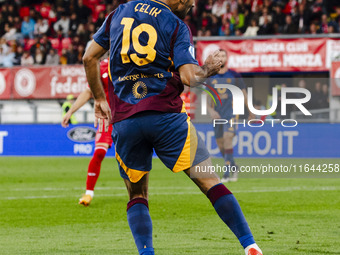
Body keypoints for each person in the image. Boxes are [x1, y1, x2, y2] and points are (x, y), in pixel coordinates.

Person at [83, 0, 263, 255]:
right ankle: (250, 245)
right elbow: (190, 78)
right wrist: (208, 69)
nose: (191, 5)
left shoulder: (116, 14)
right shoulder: (176, 24)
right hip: (166, 117)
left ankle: (147, 253)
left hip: (126, 119)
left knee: (137, 194)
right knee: (210, 181)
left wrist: (100, 99)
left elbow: (89, 57)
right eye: (190, 1)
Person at [62, 59, 112, 206]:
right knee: (99, 153)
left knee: (130, 157)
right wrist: (70, 111)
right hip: (106, 119)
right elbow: (89, 91)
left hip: (127, 117)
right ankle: (88, 193)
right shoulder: (102, 66)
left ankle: (138, 195)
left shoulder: (130, 62)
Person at [207, 50, 253, 183]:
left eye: (223, 56)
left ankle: (226, 174)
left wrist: (250, 111)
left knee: (228, 138)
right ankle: (233, 166)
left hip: (232, 113)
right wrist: (211, 111)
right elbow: (207, 98)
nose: (221, 58)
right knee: (221, 145)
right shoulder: (211, 77)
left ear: (227, 58)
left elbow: (243, 94)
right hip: (217, 115)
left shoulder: (234, 75)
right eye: (219, 56)